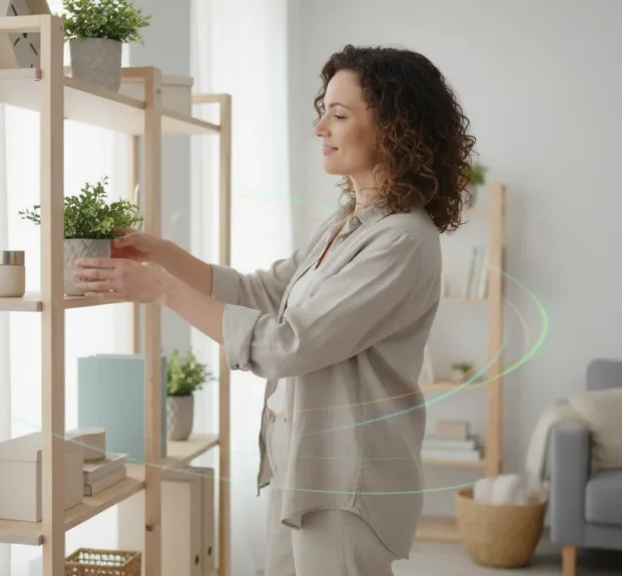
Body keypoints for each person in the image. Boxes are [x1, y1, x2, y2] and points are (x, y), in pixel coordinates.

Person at [75, 44, 476, 576]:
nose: (320, 129)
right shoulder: (345, 224)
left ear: (395, 128)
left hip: (346, 484)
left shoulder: (401, 240)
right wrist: (163, 255)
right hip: (304, 472)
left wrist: (161, 291)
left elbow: (290, 343)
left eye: (339, 115)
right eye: (322, 112)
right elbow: (263, 292)